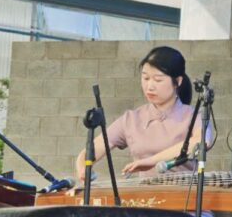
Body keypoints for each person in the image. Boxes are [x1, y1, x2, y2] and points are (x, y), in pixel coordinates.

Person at [73, 45, 211, 183]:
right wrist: (82, 167)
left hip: (183, 198)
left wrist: (151, 161)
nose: (150, 86)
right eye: (145, 78)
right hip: (144, 198)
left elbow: (201, 141)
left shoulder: (194, 115)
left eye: (158, 80)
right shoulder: (131, 119)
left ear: (178, 81)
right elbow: (94, 148)